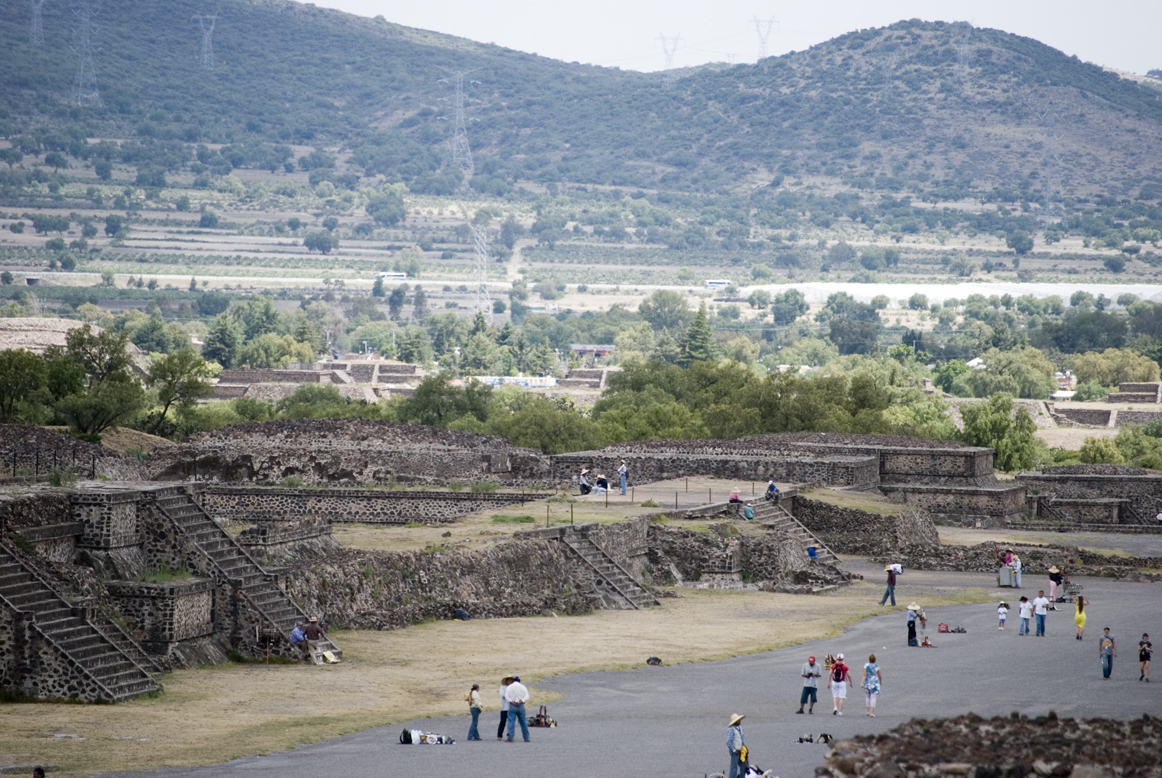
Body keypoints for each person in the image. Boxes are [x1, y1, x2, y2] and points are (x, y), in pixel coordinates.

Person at [504, 675, 530, 742]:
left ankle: (510, 736)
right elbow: (527, 696)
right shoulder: (523, 687)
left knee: (511, 721)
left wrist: (511, 701)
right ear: (519, 680)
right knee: (523, 721)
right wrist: (522, 700)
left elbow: (506, 696)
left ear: (513, 680)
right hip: (521, 705)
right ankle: (526, 737)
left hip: (512, 705)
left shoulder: (509, 687)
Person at [726, 713, 746, 778]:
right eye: (738, 720)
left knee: (743, 766)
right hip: (735, 752)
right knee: (734, 767)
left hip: (741, 750)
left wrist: (744, 747)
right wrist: (734, 750)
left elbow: (742, 739)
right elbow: (728, 742)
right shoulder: (731, 729)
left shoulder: (740, 728)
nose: (739, 721)